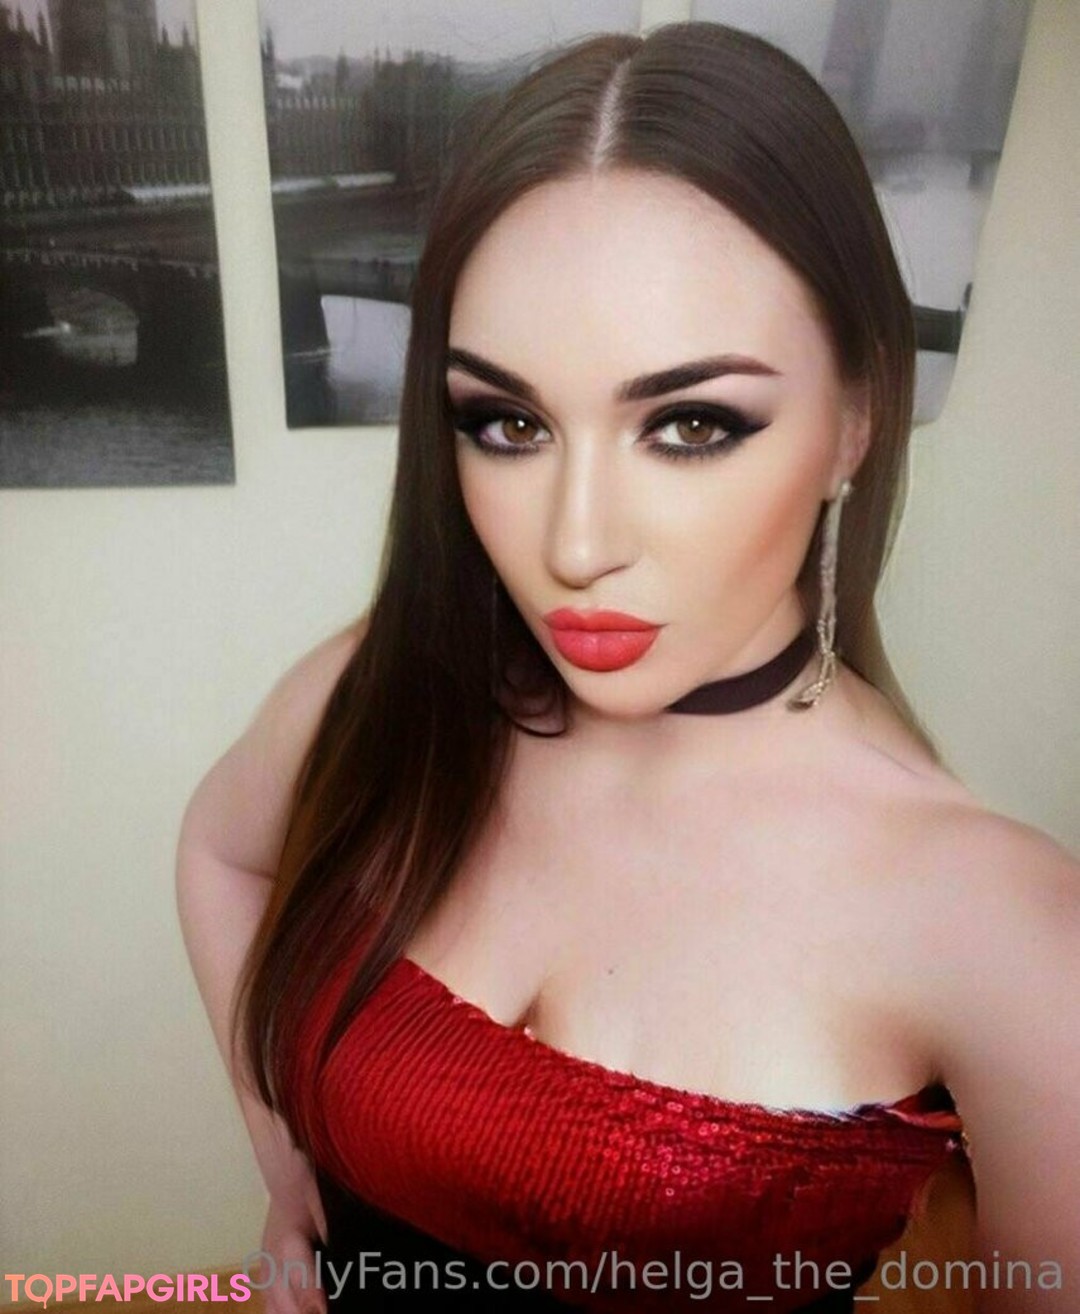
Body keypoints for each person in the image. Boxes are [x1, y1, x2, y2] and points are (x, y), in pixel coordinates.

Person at [175, 21, 1079, 1314]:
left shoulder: (1007, 929)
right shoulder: (395, 690)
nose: (576, 544)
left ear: (858, 419)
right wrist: (285, 1175)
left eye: (691, 423)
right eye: (508, 422)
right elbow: (220, 851)